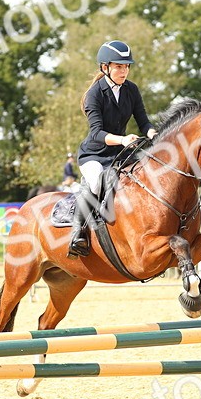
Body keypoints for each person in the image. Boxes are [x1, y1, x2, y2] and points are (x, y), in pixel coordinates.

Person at [68, 40, 157, 257]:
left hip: (119, 154)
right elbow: (97, 132)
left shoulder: (131, 90)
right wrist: (123, 140)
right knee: (97, 180)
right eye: (118, 66)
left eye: (126, 66)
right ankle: (77, 233)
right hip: (94, 154)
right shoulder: (94, 94)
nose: (123, 70)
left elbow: (143, 121)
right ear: (105, 67)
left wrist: (153, 133)